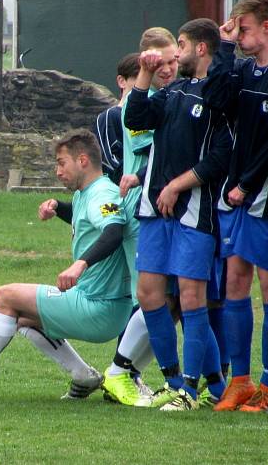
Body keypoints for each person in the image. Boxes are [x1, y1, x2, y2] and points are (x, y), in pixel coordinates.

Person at [0, 130, 134, 400]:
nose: (57, 171)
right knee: (23, 318)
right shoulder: (87, 193)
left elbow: (113, 230)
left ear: (82, 160)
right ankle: (84, 376)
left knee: (6, 296)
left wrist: (80, 265)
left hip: (99, 306)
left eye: (62, 163)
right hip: (101, 305)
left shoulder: (102, 193)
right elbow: (87, 218)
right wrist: (58, 208)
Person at [124, 18, 232, 411]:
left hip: (193, 210)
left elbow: (221, 157)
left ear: (198, 49)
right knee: (149, 295)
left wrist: (176, 185)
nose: (174, 58)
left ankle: (193, 388)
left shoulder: (218, 94)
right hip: (154, 212)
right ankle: (172, 382)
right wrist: (144, 74)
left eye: (180, 47)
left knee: (191, 299)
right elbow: (136, 119)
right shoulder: (173, 92)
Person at [204, 0, 268, 412]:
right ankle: (239, 380)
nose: (237, 36)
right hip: (238, 195)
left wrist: (248, 182)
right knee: (236, 281)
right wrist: (223, 48)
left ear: (267, 27)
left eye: (241, 29)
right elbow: (216, 99)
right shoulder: (241, 69)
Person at [101, 28, 180, 407]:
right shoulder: (135, 104)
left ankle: (131, 374)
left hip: (167, 208)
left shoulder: (174, 95)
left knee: (171, 303)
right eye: (156, 63)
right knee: (150, 300)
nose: (165, 69)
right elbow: (149, 153)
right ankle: (121, 374)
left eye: (170, 61)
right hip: (143, 210)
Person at [93, 53, 141, 184]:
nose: (145, 83)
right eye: (139, 77)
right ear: (122, 81)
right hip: (122, 192)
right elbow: (108, 161)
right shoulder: (110, 116)